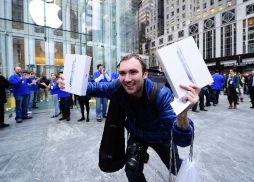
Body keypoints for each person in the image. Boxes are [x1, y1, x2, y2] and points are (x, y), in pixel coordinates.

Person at [59, 54, 199, 181]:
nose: (127, 79)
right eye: (122, 73)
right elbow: (96, 87)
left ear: (145, 74)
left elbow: (183, 141)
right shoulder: (118, 86)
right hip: (137, 134)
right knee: (132, 169)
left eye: (133, 72)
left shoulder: (161, 94)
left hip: (160, 136)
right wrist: (71, 84)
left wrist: (182, 115)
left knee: (175, 168)